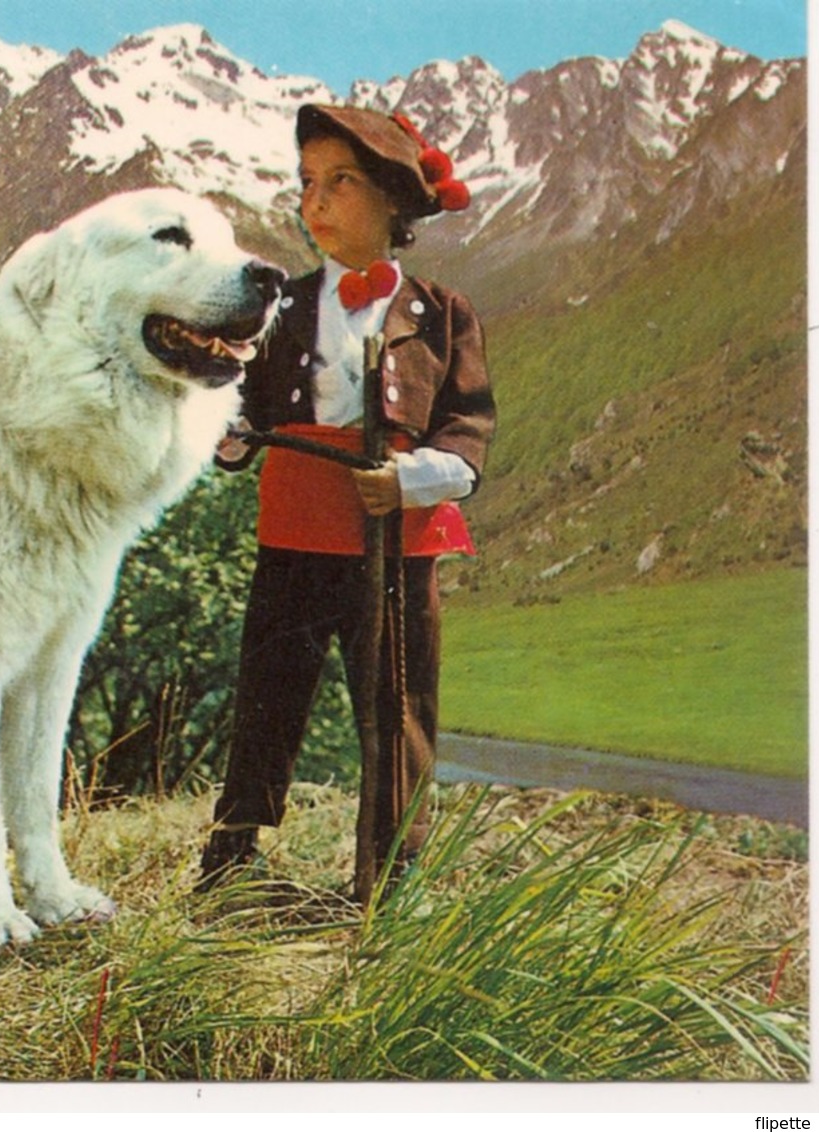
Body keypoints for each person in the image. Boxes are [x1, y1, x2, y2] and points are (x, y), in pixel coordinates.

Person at [198, 104, 495, 904]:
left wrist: (409, 480)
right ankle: (232, 859)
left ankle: (390, 875)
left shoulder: (442, 313)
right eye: (305, 184)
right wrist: (226, 437)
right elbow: (238, 404)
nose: (315, 201)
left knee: (396, 704)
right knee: (269, 691)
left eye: (339, 182)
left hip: (396, 546)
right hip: (292, 530)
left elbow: (467, 428)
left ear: (394, 200)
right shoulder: (279, 307)